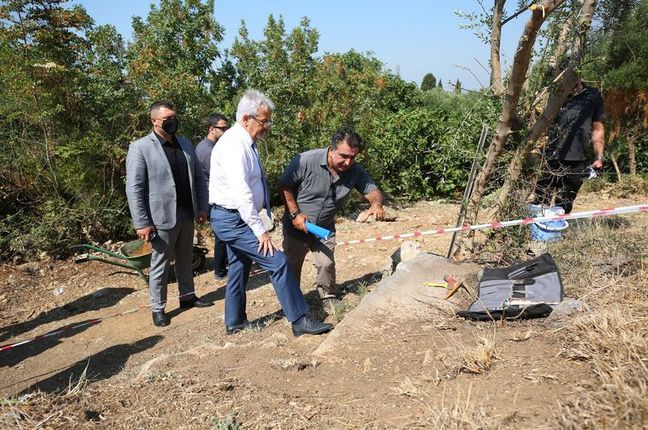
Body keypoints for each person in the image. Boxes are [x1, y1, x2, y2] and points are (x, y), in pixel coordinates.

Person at [209, 89, 333, 336]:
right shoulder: (234, 146)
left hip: (235, 217)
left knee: (238, 267)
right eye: (264, 121)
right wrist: (260, 231)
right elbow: (241, 193)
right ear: (246, 119)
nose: (267, 126)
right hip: (233, 220)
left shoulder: (245, 142)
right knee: (278, 262)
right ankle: (299, 320)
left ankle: (234, 322)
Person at [126, 100, 213, 327]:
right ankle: (158, 308)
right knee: (160, 264)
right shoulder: (140, 147)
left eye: (174, 117)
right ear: (154, 121)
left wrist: (202, 207)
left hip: (186, 212)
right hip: (160, 217)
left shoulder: (185, 144)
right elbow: (134, 188)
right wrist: (142, 222)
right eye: (167, 118)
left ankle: (187, 297)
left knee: (185, 257)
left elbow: (199, 178)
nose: (173, 121)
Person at [279, 127, 385, 313]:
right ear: (332, 148)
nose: (348, 162)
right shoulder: (305, 160)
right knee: (292, 265)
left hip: (324, 228)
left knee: (326, 263)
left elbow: (373, 192)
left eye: (353, 157)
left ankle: (328, 297)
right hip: (296, 225)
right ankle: (292, 303)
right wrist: (295, 214)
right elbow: (284, 185)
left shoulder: (355, 171)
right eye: (343, 156)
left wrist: (376, 204)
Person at [533, 77, 605, 214]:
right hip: (550, 160)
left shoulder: (592, 95)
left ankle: (558, 228)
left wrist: (599, 157)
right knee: (539, 205)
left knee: (563, 207)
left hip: (576, 163)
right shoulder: (554, 94)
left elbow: (598, 129)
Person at [195, 113, 229, 280]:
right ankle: (220, 270)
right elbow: (220, 176)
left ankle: (223, 266)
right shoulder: (208, 151)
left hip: (211, 197)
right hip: (212, 199)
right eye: (222, 128)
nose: (225, 131)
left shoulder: (207, 146)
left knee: (222, 233)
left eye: (227, 128)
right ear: (211, 129)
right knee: (222, 235)